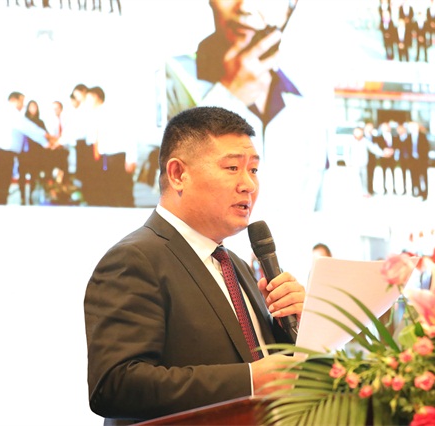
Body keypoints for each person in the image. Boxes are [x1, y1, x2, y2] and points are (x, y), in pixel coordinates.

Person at [84, 106, 305, 424]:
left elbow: (264, 367)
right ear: (178, 174)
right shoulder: (134, 260)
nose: (249, 185)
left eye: (254, 170)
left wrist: (295, 328)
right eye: (232, 167)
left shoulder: (235, 264)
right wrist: (247, 381)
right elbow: (115, 385)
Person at [165, 0, 329, 218]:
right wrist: (230, 93)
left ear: (291, 7)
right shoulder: (171, 76)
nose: (245, 6)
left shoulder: (309, 100)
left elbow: (317, 205)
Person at [0, 92, 50, 205]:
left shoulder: (9, 113)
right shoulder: (11, 113)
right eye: (22, 101)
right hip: (3, 154)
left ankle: (0, 204)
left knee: (2, 183)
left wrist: (45, 141)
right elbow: (29, 128)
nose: (23, 105)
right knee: (1, 183)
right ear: (14, 100)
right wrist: (47, 139)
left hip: (5, 154)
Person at [18, 100, 48, 205]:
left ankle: (31, 195)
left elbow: (44, 136)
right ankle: (22, 196)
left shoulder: (40, 122)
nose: (33, 109)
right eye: (31, 107)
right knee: (22, 175)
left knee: (33, 175)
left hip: (35, 154)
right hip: (23, 152)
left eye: (34, 107)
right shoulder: (23, 120)